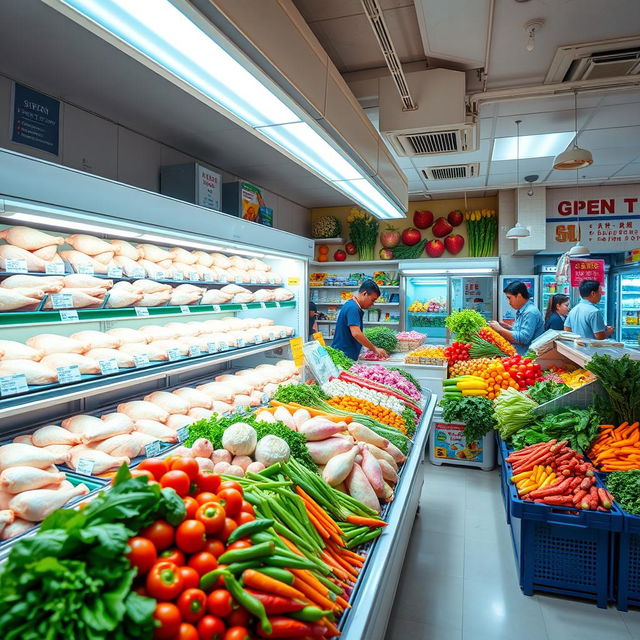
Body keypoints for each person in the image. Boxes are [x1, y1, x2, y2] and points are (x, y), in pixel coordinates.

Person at [332, 280, 388, 360]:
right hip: (344, 356)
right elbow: (356, 333)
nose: (373, 304)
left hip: (345, 354)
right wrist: (374, 349)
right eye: (372, 300)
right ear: (364, 294)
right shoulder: (353, 308)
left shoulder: (352, 305)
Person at [488, 280, 544, 356]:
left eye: (509, 298)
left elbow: (523, 338)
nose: (509, 302)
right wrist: (508, 327)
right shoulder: (522, 310)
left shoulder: (530, 312)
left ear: (519, 296)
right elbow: (519, 332)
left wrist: (500, 329)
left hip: (526, 358)